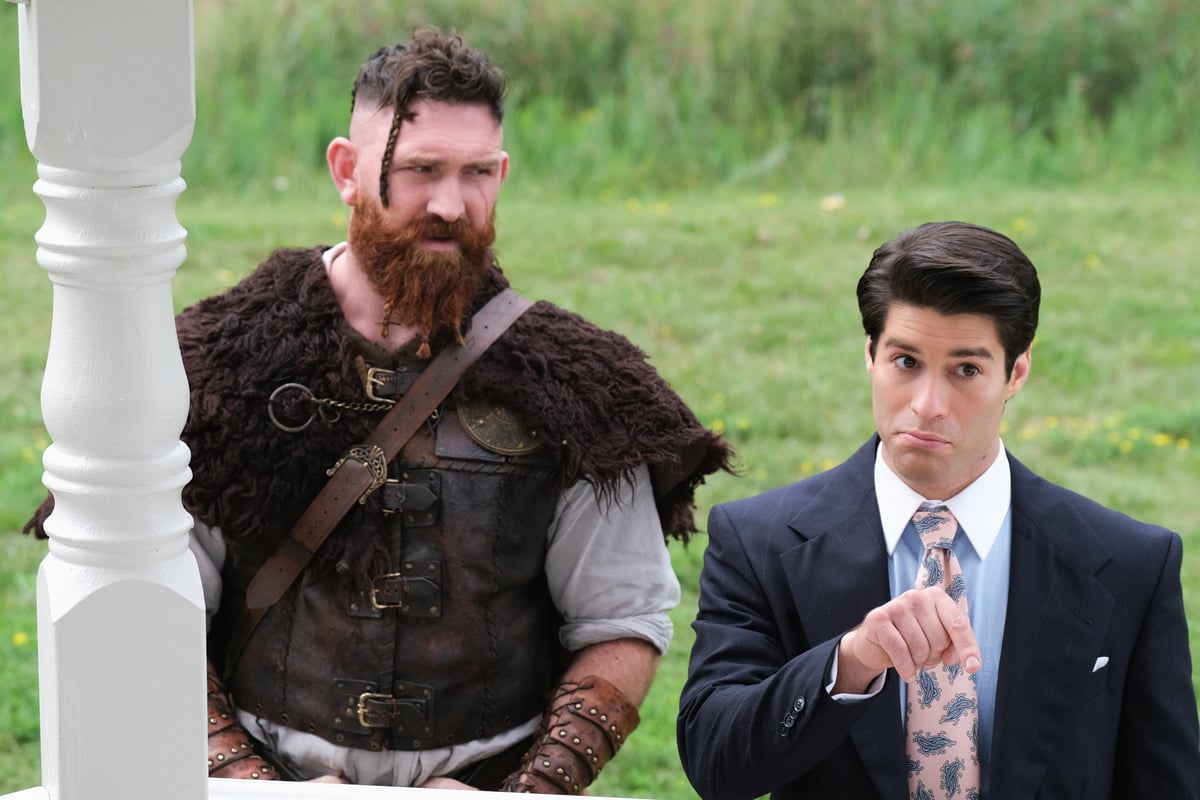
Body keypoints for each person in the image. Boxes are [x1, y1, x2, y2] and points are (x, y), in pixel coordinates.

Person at [26, 28, 731, 793]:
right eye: (420, 170)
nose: (450, 204)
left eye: (477, 172)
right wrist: (257, 788)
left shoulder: (575, 388)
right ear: (346, 170)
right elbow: (151, 616)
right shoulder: (220, 366)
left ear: (503, 173)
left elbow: (623, 620)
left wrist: (529, 790)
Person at [677, 221, 1200, 799]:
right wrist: (849, 663)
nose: (928, 405)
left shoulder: (1131, 562)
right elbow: (714, 764)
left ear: (1016, 372)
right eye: (906, 362)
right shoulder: (758, 540)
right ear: (870, 354)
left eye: (966, 370)